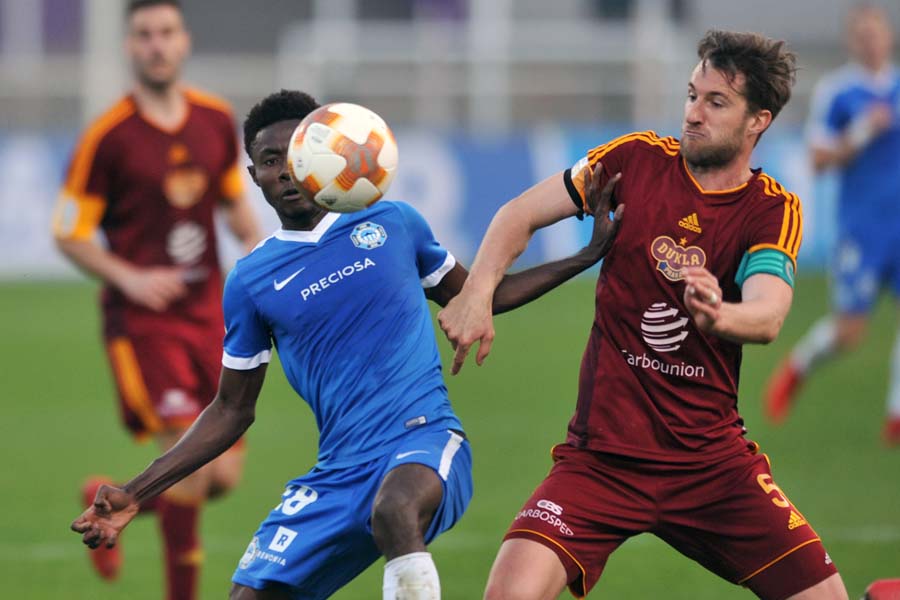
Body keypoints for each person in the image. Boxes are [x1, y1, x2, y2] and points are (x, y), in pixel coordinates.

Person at [71, 89, 624, 600]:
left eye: (295, 154)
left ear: (324, 153)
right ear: (253, 176)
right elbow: (231, 409)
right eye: (269, 161)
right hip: (337, 474)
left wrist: (584, 256)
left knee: (395, 509)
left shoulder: (393, 223)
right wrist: (136, 491)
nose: (285, 170)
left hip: (424, 441)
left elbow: (483, 296)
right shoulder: (251, 280)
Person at [439, 30, 850, 600]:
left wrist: (719, 317)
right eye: (692, 95)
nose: (694, 114)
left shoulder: (771, 210)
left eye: (716, 102)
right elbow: (519, 214)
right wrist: (478, 292)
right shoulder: (635, 160)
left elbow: (768, 313)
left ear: (758, 121)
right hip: (600, 463)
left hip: (713, 468)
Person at [52, 1, 261, 597]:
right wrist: (129, 277)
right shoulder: (108, 137)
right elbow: (69, 232)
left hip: (210, 317)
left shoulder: (214, 119)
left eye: (166, 32)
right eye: (144, 34)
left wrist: (260, 256)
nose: (156, 45)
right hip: (144, 326)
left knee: (219, 475)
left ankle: (110, 498)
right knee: (186, 472)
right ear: (129, 46)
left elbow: (234, 203)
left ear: (184, 41)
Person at [764, 5, 900, 445]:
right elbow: (818, 158)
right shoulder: (839, 92)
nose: (871, 42)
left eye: (876, 33)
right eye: (862, 35)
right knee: (850, 332)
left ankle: (896, 415)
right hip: (862, 228)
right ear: (852, 41)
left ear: (889, 37)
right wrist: (861, 132)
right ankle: (797, 368)